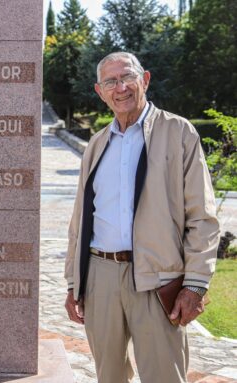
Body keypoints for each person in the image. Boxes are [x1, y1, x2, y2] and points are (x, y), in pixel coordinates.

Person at [64, 52, 219, 383]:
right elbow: (79, 221)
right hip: (100, 279)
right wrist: (73, 282)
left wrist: (195, 283)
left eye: (127, 77)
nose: (120, 88)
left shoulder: (179, 133)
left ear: (144, 79)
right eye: (110, 82)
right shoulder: (96, 145)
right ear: (99, 91)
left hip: (157, 279)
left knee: (164, 376)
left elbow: (202, 216)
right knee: (109, 376)